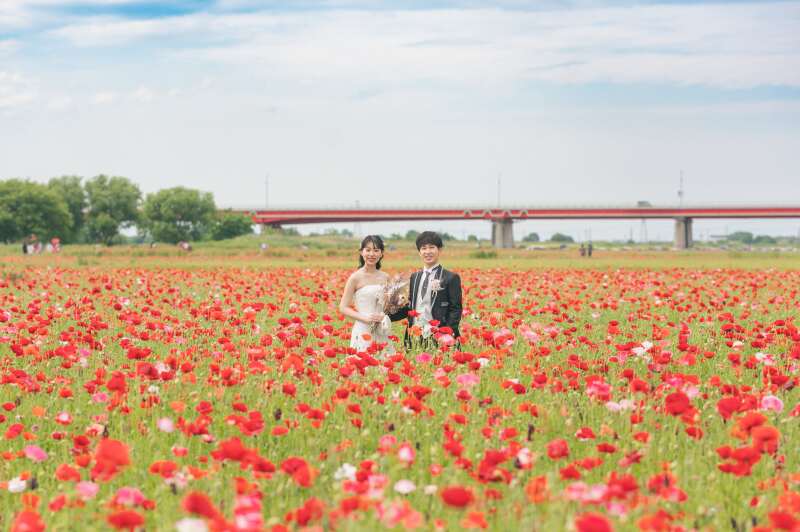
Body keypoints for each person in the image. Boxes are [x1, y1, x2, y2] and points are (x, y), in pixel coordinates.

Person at [391, 231, 462, 349]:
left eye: (431, 247)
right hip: (415, 335)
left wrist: (446, 334)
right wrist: (388, 315)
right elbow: (411, 307)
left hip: (440, 336)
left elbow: (456, 309)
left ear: (439, 250)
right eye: (424, 248)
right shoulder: (415, 277)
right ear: (419, 252)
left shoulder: (450, 277)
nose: (427, 252)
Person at [339, 235, 395, 355]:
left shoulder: (386, 277)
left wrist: (387, 311)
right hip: (363, 328)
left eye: (376, 250)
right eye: (368, 250)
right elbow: (343, 307)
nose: (371, 254)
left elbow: (389, 306)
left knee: (384, 362)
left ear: (381, 253)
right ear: (361, 252)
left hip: (381, 328)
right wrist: (365, 318)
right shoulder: (355, 278)